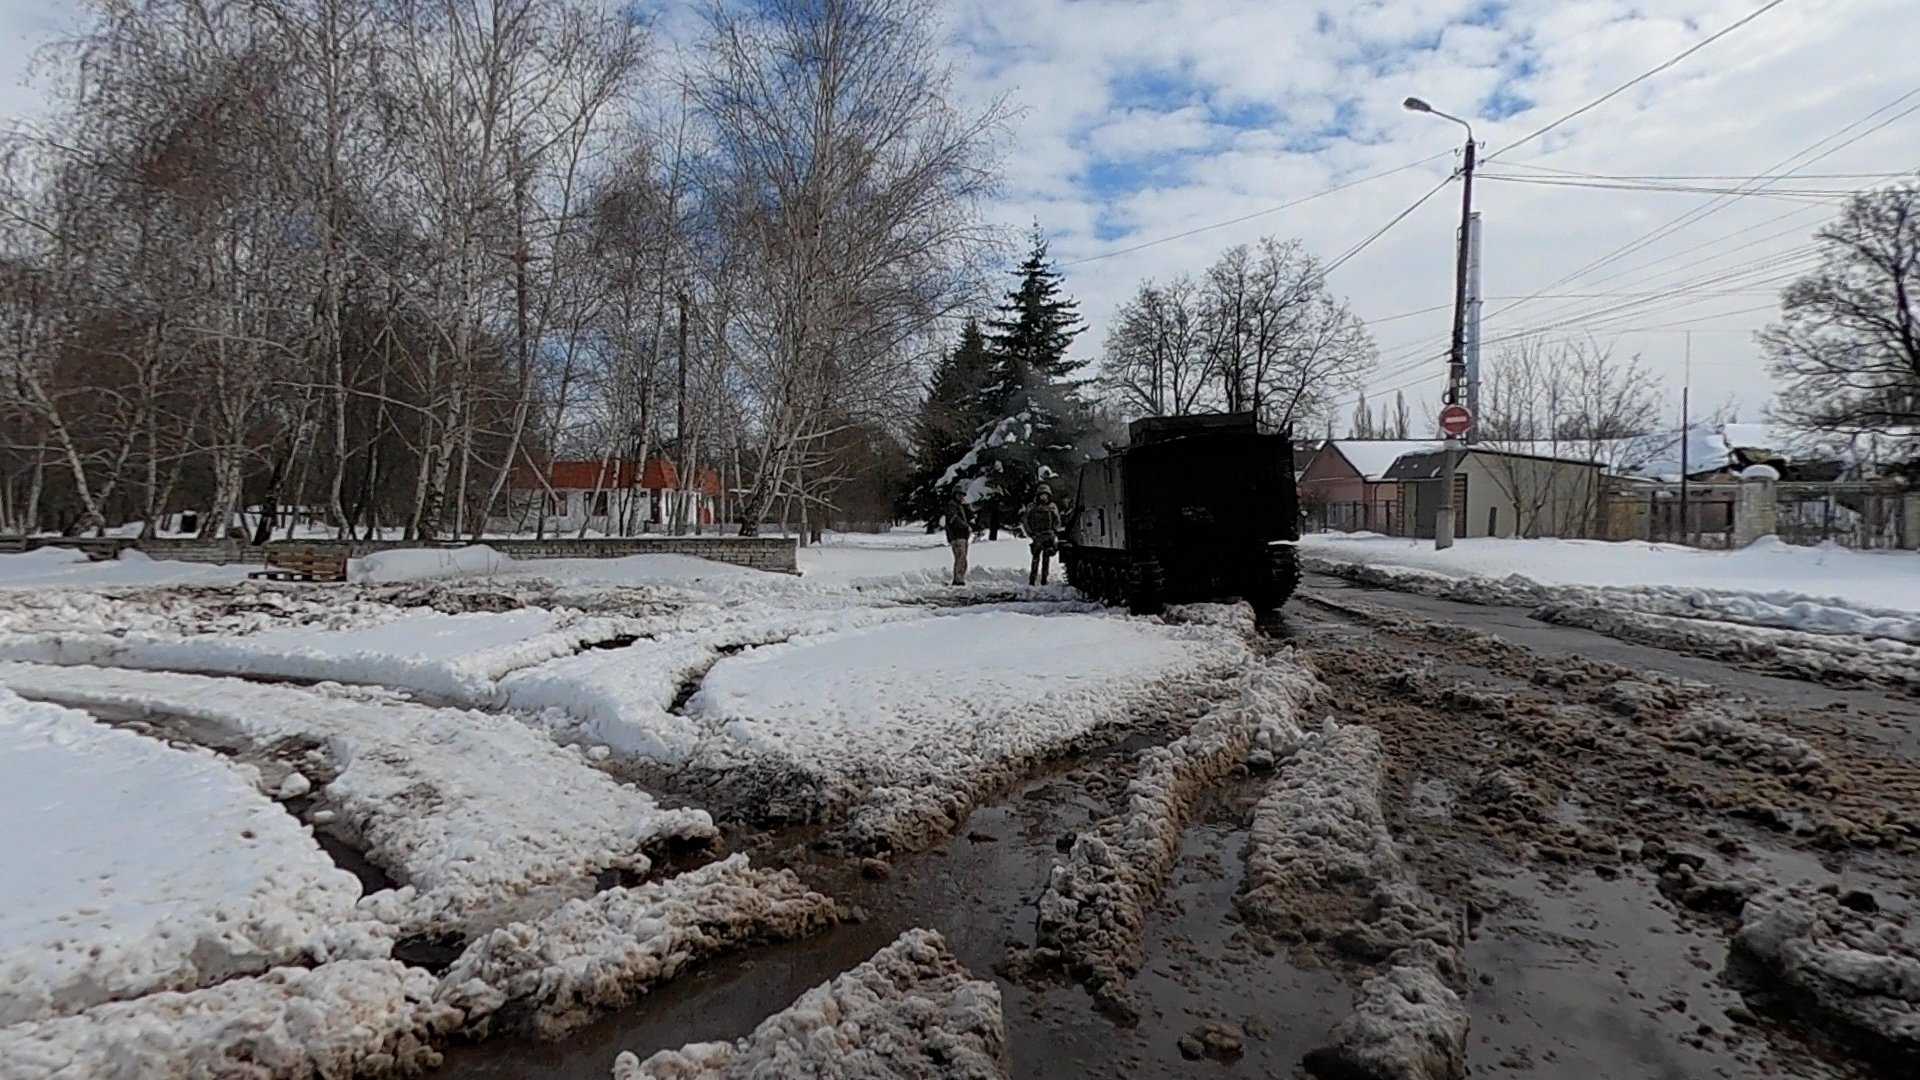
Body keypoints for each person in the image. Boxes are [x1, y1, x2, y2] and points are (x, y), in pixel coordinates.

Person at [1024, 487, 1062, 586]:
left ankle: (1044, 580)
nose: (1043, 497)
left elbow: (1057, 520)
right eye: (1042, 495)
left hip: (1048, 536)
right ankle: (1032, 580)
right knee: (1035, 559)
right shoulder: (1032, 507)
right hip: (1037, 536)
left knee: (1046, 559)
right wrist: (1031, 533)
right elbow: (1026, 521)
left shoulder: (1052, 507)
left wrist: (1054, 532)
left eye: (1045, 495)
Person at [944, 489, 972, 586]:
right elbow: (954, 520)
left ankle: (960, 577)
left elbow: (969, 516)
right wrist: (965, 526)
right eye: (959, 495)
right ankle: (958, 579)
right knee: (960, 557)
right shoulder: (952, 506)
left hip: (963, 535)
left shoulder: (961, 506)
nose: (961, 497)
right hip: (957, 535)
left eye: (962, 495)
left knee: (962, 557)